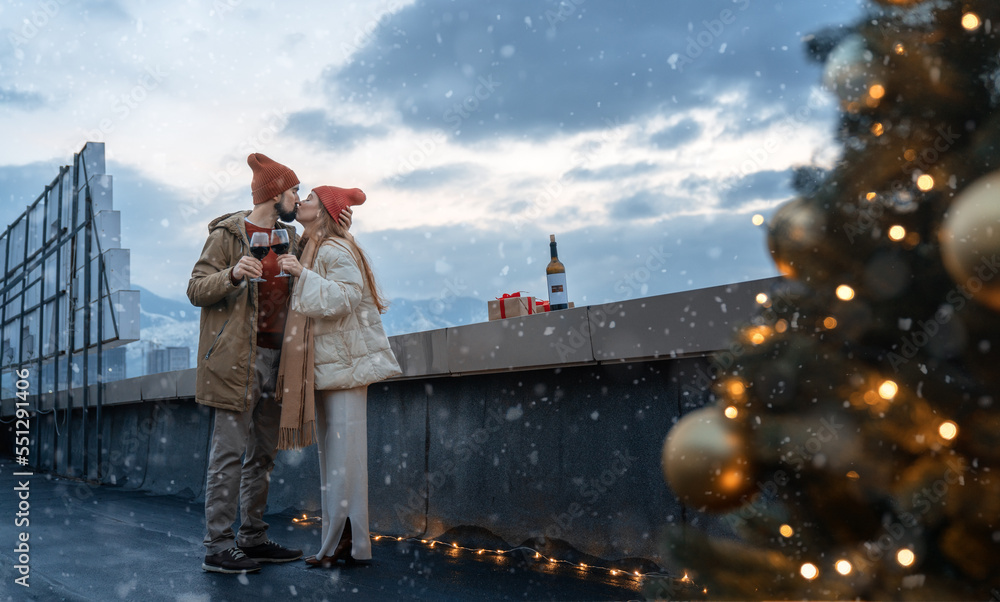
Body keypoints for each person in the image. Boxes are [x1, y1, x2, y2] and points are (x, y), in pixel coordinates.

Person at [188, 153, 350, 574]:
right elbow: (195, 288)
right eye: (295, 190)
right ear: (276, 194)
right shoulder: (228, 234)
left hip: (281, 360)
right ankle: (218, 547)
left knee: (262, 454)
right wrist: (232, 275)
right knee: (228, 454)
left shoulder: (290, 237)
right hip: (237, 359)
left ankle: (252, 538)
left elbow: (322, 258)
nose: (298, 197)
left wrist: (338, 218)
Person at [274, 185, 402, 568]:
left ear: (325, 211)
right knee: (336, 460)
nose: (302, 202)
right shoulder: (316, 246)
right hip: (333, 368)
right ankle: (342, 542)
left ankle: (343, 543)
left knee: (343, 459)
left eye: (310, 198)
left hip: (344, 367)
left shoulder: (332, 249)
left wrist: (301, 275)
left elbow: (346, 297)